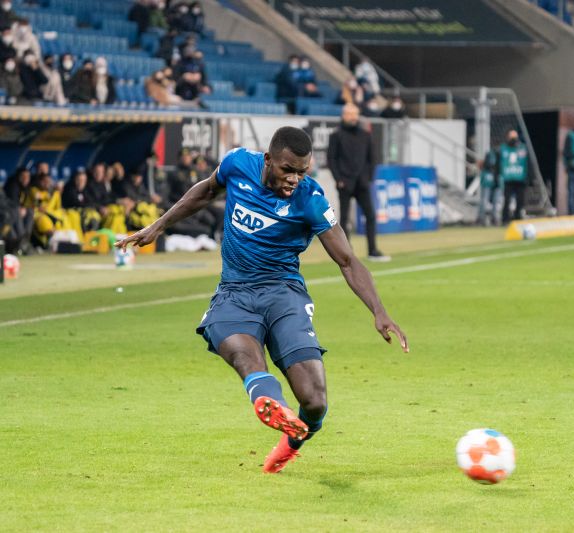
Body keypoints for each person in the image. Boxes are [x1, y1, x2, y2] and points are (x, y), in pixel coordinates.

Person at [115, 126, 408, 474]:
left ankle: (290, 441)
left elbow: (347, 260)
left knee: (314, 401)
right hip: (235, 294)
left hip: (284, 295)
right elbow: (207, 189)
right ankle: (273, 404)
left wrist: (379, 311)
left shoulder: (311, 199)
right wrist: (159, 225)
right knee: (244, 355)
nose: (295, 179)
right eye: (288, 170)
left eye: (302, 171)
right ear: (269, 160)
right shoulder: (238, 164)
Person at [327, 103, 389, 261]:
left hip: (362, 183)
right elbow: (331, 159)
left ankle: (373, 250)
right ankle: (346, 253)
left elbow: (372, 158)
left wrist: (369, 178)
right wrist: (338, 179)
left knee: (371, 216)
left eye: (354, 114)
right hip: (345, 183)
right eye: (349, 114)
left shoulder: (365, 135)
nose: (352, 117)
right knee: (344, 219)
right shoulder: (336, 135)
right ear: (343, 115)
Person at [498, 129, 528, 223]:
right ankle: (505, 219)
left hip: (520, 179)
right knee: (506, 200)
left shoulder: (522, 148)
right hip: (508, 179)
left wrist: (527, 177)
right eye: (512, 137)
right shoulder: (503, 148)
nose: (514, 139)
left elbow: (527, 164)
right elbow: (498, 164)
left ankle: (517, 218)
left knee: (520, 200)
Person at [476, 149, 501, 225]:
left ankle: (494, 218)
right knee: (484, 200)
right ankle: (481, 218)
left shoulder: (500, 158)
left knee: (495, 201)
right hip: (488, 181)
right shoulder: (488, 157)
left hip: (496, 181)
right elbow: (480, 165)